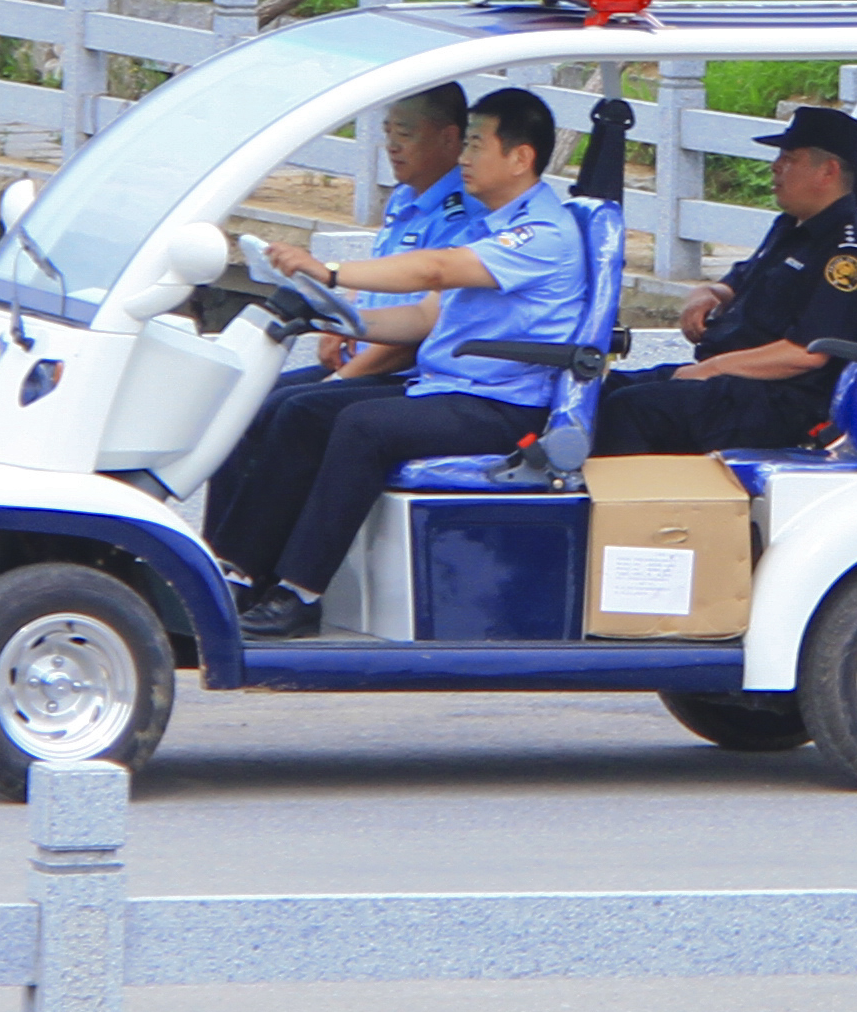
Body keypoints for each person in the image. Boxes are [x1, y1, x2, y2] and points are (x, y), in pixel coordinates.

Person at [228, 85, 600, 637]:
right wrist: (333, 317)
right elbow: (427, 316)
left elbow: (432, 272)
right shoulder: (492, 222)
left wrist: (330, 273)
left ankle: (300, 591)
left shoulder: (539, 233)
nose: (464, 158)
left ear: (520, 158)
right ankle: (240, 573)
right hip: (448, 386)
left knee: (362, 426)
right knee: (302, 411)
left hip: (503, 403)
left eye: (476, 146)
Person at [199, 82, 473, 573]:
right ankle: (214, 555)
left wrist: (342, 377)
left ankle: (251, 570)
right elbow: (385, 277)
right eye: (388, 132)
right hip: (366, 349)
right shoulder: (407, 198)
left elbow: (423, 328)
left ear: (450, 139)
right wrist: (340, 314)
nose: (391, 145)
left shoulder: (463, 217)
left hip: (401, 368)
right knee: (243, 404)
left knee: (294, 412)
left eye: (405, 133)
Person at [591, 102, 857, 459]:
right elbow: (743, 280)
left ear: (827, 171)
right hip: (733, 381)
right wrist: (709, 292)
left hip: (781, 400)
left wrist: (709, 369)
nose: (776, 167)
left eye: (790, 158)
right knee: (602, 389)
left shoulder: (846, 254)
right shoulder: (791, 227)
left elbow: (806, 354)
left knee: (633, 409)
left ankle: (628, 508)